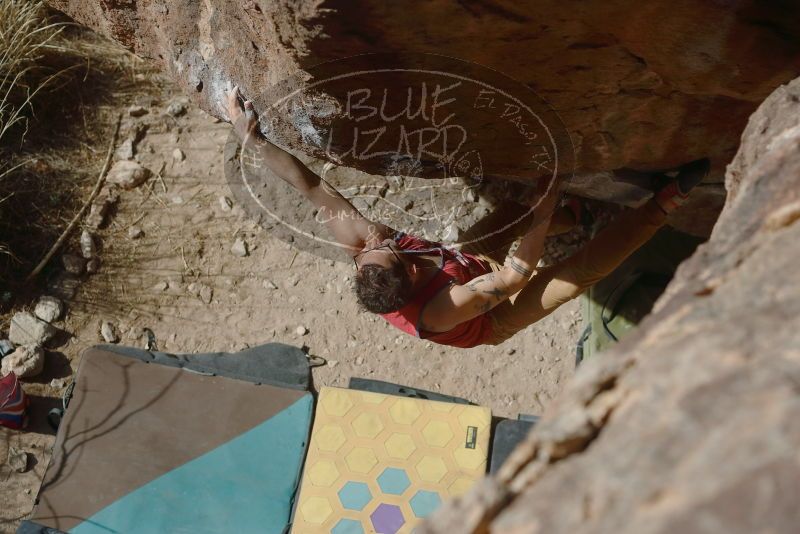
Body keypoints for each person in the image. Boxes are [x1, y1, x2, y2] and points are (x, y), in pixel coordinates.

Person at [224, 86, 709, 349]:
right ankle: (663, 204)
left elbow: (312, 187)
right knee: (574, 275)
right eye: (393, 249)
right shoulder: (441, 310)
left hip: (466, 268)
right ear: (412, 272)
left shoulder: (366, 247)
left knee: (498, 225)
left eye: (377, 245)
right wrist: (543, 209)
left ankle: (574, 215)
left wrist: (253, 139)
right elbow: (516, 276)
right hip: (493, 314)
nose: (383, 237)